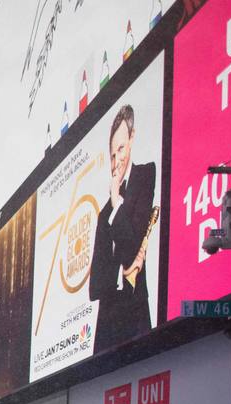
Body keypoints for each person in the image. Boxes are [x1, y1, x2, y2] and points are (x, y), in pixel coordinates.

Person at [88, 103, 158, 352]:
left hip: (136, 311)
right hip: (107, 323)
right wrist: (119, 274)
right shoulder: (102, 214)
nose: (117, 159)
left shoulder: (145, 175)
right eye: (112, 154)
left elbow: (131, 245)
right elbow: (94, 286)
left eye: (121, 148)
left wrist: (117, 201)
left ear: (132, 139)